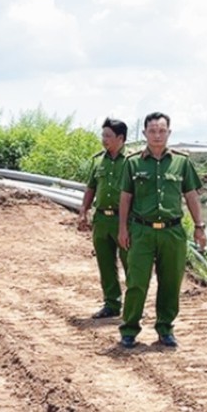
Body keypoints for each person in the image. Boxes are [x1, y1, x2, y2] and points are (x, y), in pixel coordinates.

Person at [117, 112, 207, 349]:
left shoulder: (181, 163)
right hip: (141, 231)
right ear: (144, 133)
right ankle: (129, 329)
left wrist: (199, 227)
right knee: (137, 282)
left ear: (169, 133)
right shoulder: (133, 163)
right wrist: (122, 229)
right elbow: (125, 197)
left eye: (162, 131)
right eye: (152, 131)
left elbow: (191, 196)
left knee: (170, 283)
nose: (157, 135)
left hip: (172, 232)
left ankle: (165, 328)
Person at [78, 118, 129, 319]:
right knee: (105, 264)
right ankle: (111, 304)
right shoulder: (98, 161)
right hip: (102, 220)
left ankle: (135, 306)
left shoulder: (132, 162)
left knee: (131, 264)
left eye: (108, 135)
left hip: (124, 220)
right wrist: (83, 211)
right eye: (103, 135)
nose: (104, 139)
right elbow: (91, 188)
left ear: (120, 138)